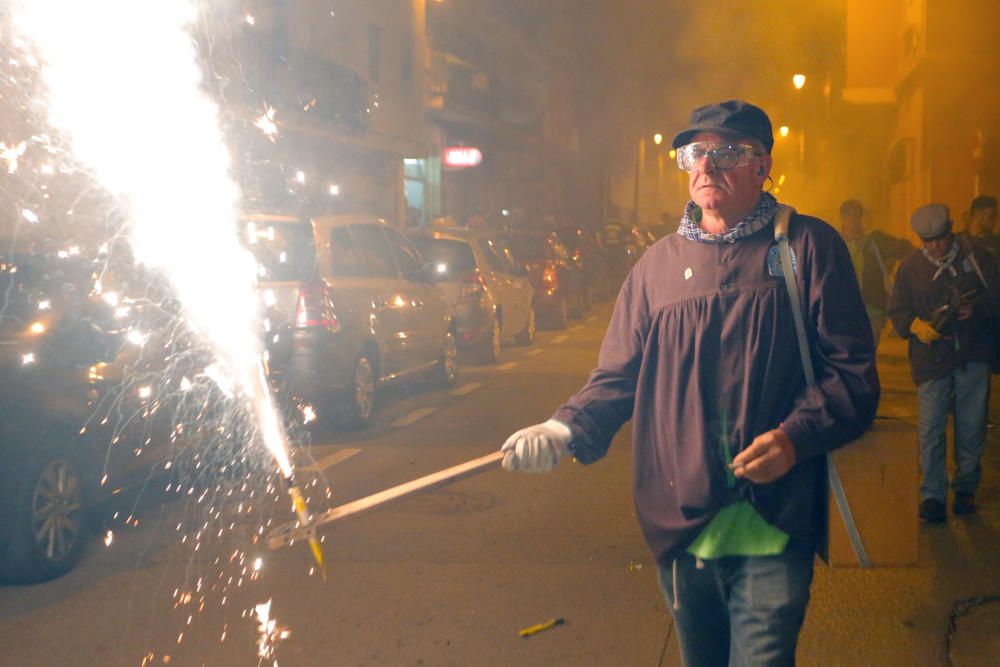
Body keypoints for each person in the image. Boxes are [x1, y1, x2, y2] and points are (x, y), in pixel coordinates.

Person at [499, 100, 879, 666]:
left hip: (773, 519)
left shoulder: (807, 248)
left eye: (726, 152)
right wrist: (563, 430)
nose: (706, 166)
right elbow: (616, 376)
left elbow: (852, 374)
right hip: (680, 522)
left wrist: (795, 438)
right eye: (694, 153)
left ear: (762, 165)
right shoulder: (656, 268)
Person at [888, 204, 1000, 523]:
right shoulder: (910, 267)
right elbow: (897, 310)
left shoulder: (978, 258)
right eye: (927, 240)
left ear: (951, 229)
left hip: (972, 355)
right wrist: (915, 326)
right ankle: (932, 496)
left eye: (940, 237)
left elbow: (997, 296)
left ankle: (965, 489)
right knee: (931, 429)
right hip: (931, 359)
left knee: (971, 426)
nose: (935, 245)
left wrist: (973, 309)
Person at [838, 199, 914, 346]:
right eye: (848, 215)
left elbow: (906, 250)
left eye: (856, 215)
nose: (852, 219)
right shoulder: (834, 242)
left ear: (861, 218)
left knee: (868, 353)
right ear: (842, 218)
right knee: (848, 352)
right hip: (844, 308)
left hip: (872, 309)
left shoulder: (876, 241)